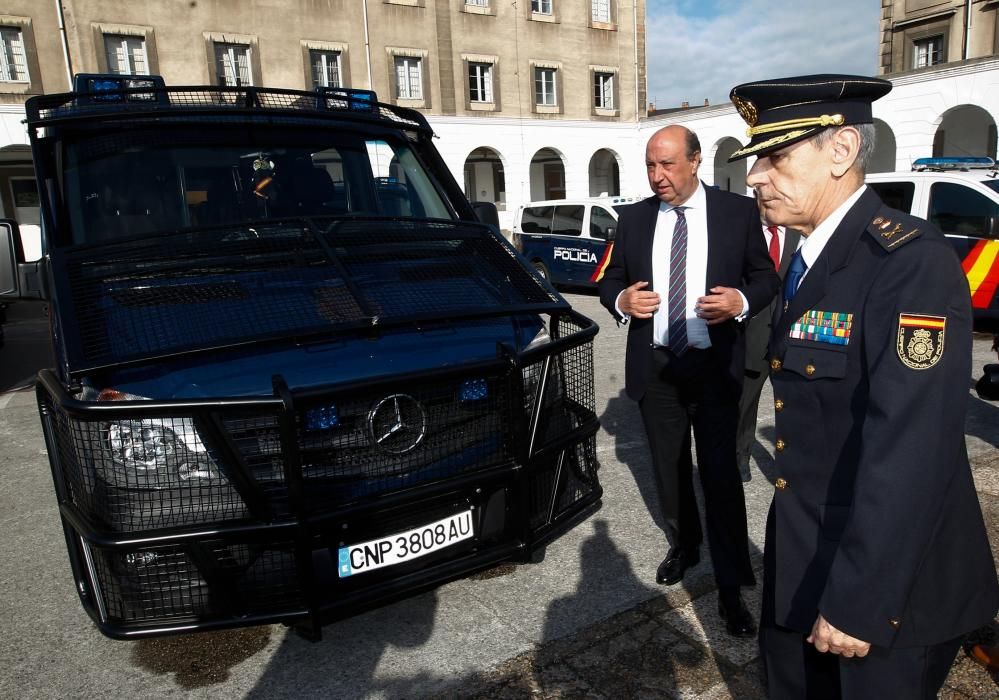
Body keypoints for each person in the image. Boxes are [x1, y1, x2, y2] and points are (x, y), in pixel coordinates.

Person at [727, 74, 999, 698]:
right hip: (805, 553)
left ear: (842, 152)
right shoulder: (807, 256)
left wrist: (859, 599)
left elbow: (912, 449)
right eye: (756, 159)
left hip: (882, 584)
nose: (756, 177)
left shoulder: (908, 262)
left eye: (775, 156)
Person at [597, 125, 780, 637]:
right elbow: (610, 278)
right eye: (651, 166)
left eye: (668, 165)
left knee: (720, 475)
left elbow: (766, 277)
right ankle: (685, 544)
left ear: (696, 162)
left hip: (715, 367)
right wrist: (621, 301)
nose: (658, 177)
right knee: (669, 468)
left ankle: (729, 586)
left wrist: (740, 302)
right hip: (656, 369)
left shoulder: (736, 213)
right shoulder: (633, 218)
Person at [736, 201, 801, 481]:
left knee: (793, 405)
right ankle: (740, 457)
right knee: (745, 405)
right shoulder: (744, 234)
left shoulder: (799, 234)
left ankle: (790, 465)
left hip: (789, 338)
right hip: (753, 337)